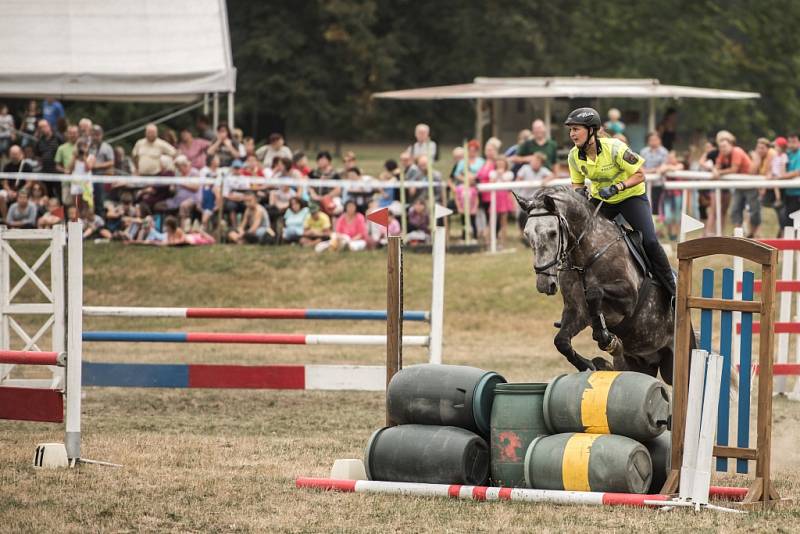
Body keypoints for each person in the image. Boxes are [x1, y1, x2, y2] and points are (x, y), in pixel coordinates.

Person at [564, 107, 675, 298]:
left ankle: (673, 288)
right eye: (571, 130)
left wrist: (618, 187)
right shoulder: (574, 155)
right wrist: (580, 192)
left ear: (591, 130)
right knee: (580, 238)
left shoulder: (615, 147)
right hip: (603, 199)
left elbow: (640, 174)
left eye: (576, 129)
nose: (572, 134)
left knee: (649, 240)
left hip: (630, 196)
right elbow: (577, 183)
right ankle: (578, 293)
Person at [713, 131, 755, 237]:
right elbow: (717, 165)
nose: (722, 149)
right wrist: (715, 170)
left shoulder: (736, 151)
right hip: (739, 184)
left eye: (725, 146)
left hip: (750, 183)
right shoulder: (723, 152)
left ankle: (754, 233)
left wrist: (718, 172)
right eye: (721, 147)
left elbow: (734, 169)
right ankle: (738, 233)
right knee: (735, 209)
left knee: (753, 210)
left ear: (730, 145)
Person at [658, 151, 686, 241]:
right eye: (668, 158)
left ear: (676, 158)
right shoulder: (664, 165)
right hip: (667, 195)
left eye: (672, 158)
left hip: (677, 194)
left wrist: (668, 168)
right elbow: (660, 170)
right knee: (668, 217)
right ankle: (670, 233)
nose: (670, 159)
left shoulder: (680, 165)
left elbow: (677, 168)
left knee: (677, 216)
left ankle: (676, 234)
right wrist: (668, 167)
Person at [639, 132, 670, 216]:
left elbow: (663, 166)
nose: (653, 141)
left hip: (658, 183)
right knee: (645, 204)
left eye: (655, 139)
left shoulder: (664, 152)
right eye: (651, 140)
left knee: (657, 205)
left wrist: (651, 170)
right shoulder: (643, 151)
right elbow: (640, 166)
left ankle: (658, 226)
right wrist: (651, 170)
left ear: (659, 140)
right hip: (644, 183)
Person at [1, 145, 34, 220]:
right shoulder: (7, 166)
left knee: (22, 196)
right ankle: (6, 219)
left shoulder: (27, 166)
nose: (13, 156)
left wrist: (18, 192)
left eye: (15, 154)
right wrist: (9, 191)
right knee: (1, 196)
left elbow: (29, 183)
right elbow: (4, 183)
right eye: (12, 154)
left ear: (20, 154)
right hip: (10, 191)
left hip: (23, 190)